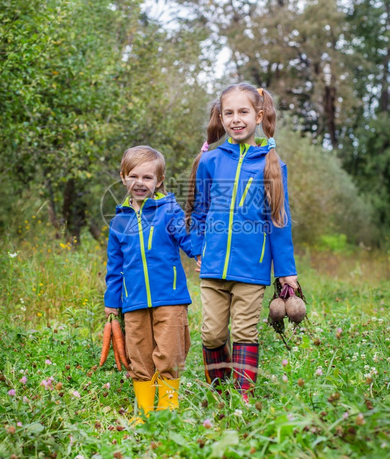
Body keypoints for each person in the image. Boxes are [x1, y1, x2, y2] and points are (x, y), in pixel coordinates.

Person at [186, 83, 298, 401]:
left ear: (259, 116)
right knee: (212, 334)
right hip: (213, 266)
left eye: (243, 112)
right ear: (220, 118)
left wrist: (286, 271)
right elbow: (199, 210)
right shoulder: (211, 161)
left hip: (251, 268)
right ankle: (221, 393)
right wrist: (198, 248)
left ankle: (242, 398)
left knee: (244, 333)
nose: (236, 119)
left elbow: (280, 222)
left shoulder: (271, 164)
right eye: (229, 113)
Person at [104, 146, 193, 421]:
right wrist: (111, 303)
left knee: (168, 354)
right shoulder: (119, 221)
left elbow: (188, 242)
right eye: (134, 176)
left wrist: (202, 248)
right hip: (134, 302)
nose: (140, 183)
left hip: (171, 298)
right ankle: (143, 412)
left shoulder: (170, 211)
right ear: (123, 177)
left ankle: (167, 412)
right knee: (139, 356)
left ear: (159, 182)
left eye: (147, 178)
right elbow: (114, 266)